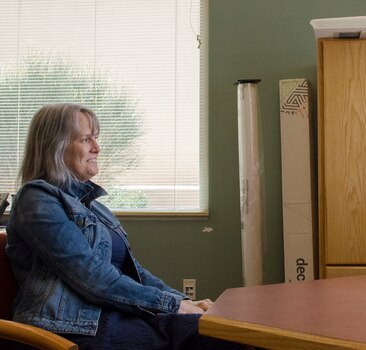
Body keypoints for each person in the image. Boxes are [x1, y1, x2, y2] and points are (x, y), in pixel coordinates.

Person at [6, 104, 246, 349]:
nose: (97, 148)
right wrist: (173, 306)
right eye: (86, 139)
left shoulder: (95, 208)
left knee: (226, 333)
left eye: (95, 138)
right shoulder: (36, 197)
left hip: (114, 313)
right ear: (54, 147)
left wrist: (183, 301)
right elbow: (89, 274)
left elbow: (135, 272)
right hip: (71, 328)